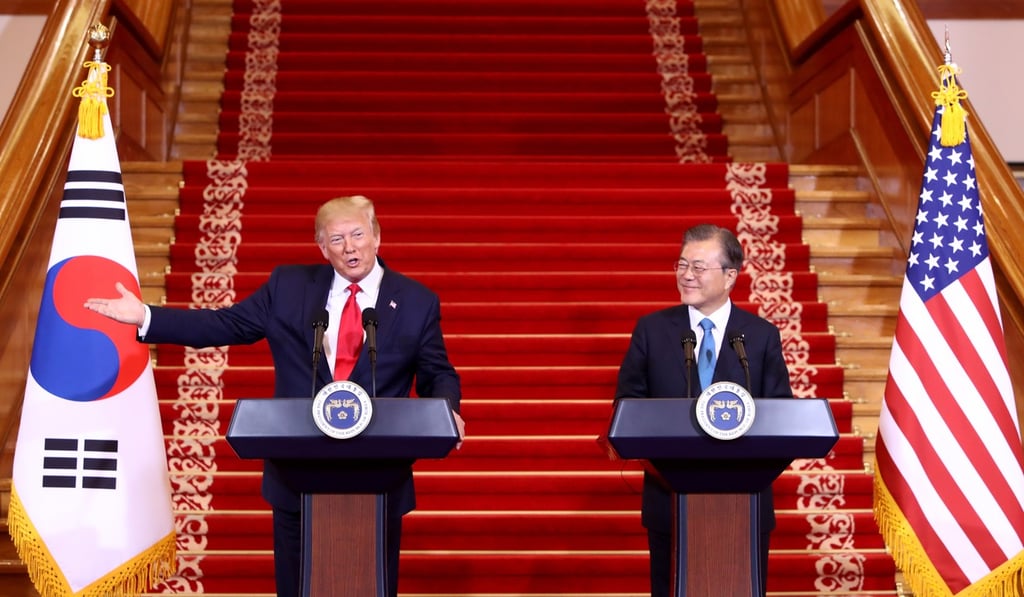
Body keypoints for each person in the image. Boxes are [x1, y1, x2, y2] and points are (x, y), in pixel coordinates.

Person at [85, 195, 465, 597]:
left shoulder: (416, 301)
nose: (350, 247)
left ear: (376, 236)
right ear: (322, 248)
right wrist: (147, 316)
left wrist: (446, 412)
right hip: (298, 474)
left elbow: (438, 372)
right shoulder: (289, 287)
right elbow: (225, 324)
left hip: (377, 476)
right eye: (337, 239)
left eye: (358, 234)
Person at [614, 223, 792, 597]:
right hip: (671, 500)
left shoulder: (760, 336)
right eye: (681, 265)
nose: (686, 276)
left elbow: (782, 416)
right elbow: (627, 407)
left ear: (730, 276)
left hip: (745, 504)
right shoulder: (652, 330)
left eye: (698, 267)